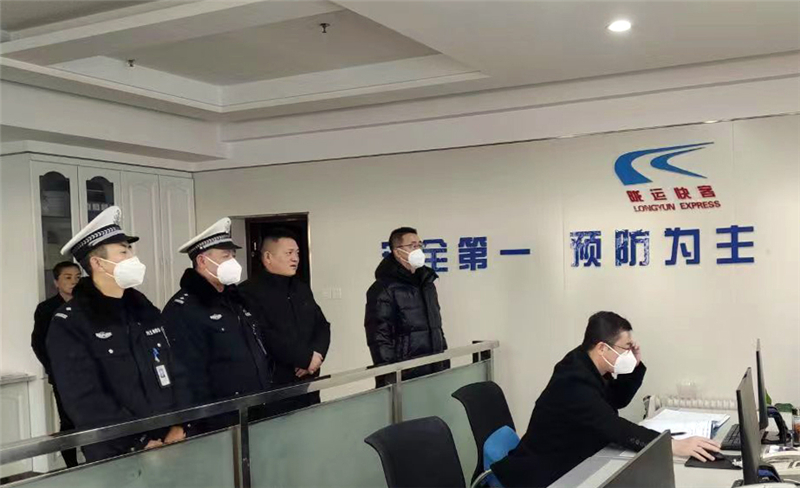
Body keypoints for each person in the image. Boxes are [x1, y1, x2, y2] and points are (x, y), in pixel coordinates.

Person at [493, 311, 721, 487]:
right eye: (625, 348)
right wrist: (671, 445)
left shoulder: (588, 364)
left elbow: (617, 400)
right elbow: (614, 427)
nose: (629, 353)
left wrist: (634, 365)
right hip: (544, 475)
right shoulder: (572, 381)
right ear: (603, 348)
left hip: (574, 461)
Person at [46, 206, 185, 462]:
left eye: (130, 250)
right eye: (124, 251)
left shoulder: (143, 308)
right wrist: (139, 441)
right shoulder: (71, 321)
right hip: (119, 450)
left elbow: (174, 367)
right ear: (98, 263)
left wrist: (179, 423)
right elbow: (85, 399)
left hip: (168, 440)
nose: (133, 257)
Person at [162, 218, 272, 432]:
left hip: (253, 410)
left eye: (233, 255)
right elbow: (186, 372)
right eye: (225, 256)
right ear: (202, 261)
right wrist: (191, 422)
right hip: (217, 420)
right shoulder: (184, 308)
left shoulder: (235, 299)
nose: (233, 261)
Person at [240, 228, 330, 413]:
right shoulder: (249, 292)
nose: (295, 259)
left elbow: (322, 325)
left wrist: (317, 357)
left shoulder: (301, 288)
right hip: (275, 387)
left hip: (308, 381)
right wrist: (304, 358)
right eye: (289, 253)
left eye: (297, 253)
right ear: (268, 257)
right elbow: (264, 335)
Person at [364, 227, 448, 388]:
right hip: (405, 375)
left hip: (434, 368)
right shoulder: (383, 288)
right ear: (397, 252)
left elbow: (437, 327)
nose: (418, 250)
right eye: (412, 246)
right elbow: (379, 337)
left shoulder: (427, 284)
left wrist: (443, 361)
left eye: (419, 245)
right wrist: (391, 375)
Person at [31, 261, 82, 467]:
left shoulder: (87, 305)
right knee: (68, 421)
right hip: (63, 376)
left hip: (90, 373)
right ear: (56, 282)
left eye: (77, 277)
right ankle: (71, 466)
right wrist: (55, 370)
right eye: (67, 277)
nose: (73, 281)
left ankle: (96, 462)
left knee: (93, 419)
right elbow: (38, 344)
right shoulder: (46, 309)